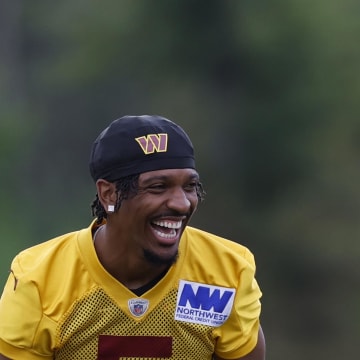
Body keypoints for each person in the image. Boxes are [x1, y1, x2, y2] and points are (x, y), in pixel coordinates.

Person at [0, 114, 265, 360]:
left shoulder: (228, 270)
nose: (182, 203)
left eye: (190, 186)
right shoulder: (38, 279)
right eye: (158, 187)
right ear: (109, 194)